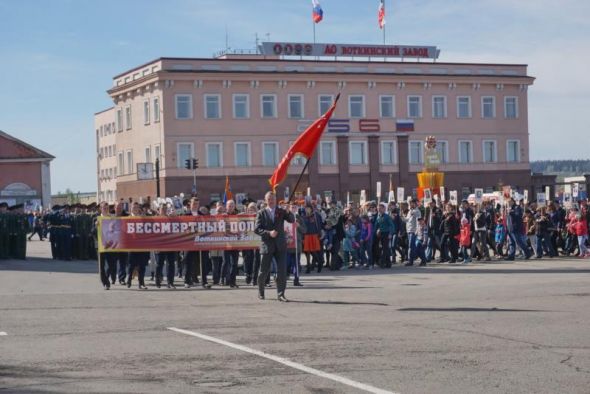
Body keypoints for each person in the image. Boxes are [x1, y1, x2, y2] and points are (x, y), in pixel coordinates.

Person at [254, 191, 294, 302]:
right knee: (263, 271)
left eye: (273, 198)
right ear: (265, 200)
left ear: (276, 199)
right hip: (267, 245)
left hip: (280, 245)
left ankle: (281, 294)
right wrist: (268, 233)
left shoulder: (281, 211)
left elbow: (291, 220)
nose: (271, 201)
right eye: (269, 199)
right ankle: (261, 292)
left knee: (282, 270)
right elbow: (257, 229)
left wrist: (288, 212)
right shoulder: (261, 213)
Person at [126, 202, 149, 289]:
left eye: (137, 207)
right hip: (132, 245)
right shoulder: (127, 218)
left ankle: (141, 282)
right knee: (131, 265)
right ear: (131, 208)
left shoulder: (143, 218)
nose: (135, 209)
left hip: (142, 245)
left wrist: (144, 218)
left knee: (142, 265)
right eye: (133, 207)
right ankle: (129, 280)